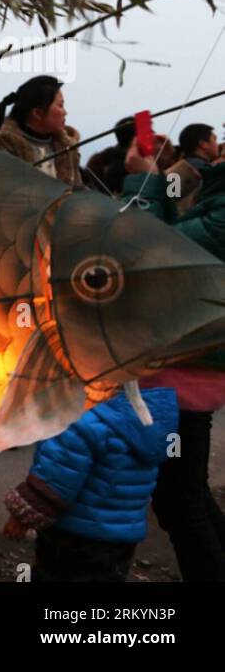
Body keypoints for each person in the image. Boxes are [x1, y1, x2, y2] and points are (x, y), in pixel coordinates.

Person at [122, 143, 225, 580]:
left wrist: (143, 179)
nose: (220, 144)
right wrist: (165, 180)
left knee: (178, 500)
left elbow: (146, 249)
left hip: (187, 368)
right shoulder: (215, 194)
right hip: (187, 364)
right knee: (186, 492)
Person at [3, 385, 178, 582]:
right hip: (122, 538)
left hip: (75, 537)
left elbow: (56, 479)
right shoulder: (146, 415)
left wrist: (21, 517)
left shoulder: (80, 419)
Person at [0, 75, 83, 186]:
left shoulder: (67, 149)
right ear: (38, 113)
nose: (65, 112)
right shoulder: (0, 149)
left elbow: (78, 195)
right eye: (60, 106)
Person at [162, 123, 221, 213]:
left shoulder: (176, 170)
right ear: (203, 144)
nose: (217, 144)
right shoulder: (206, 171)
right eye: (214, 139)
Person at [83, 116, 136, 195]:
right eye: (148, 132)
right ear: (135, 139)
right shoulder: (119, 166)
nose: (153, 133)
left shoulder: (106, 158)